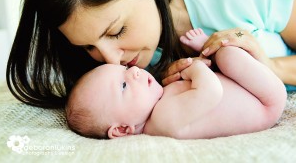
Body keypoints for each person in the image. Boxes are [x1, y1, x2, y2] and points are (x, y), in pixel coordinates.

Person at [7, 0, 296, 108]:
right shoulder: (125, 78)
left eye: (117, 31)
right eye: (87, 47)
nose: (111, 61)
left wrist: (271, 68)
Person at [66, 29, 287, 139]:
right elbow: (211, 91)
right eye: (123, 86)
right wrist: (195, 66)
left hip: (254, 92)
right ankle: (210, 50)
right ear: (123, 129)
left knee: (227, 57)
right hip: (267, 102)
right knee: (228, 55)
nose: (134, 71)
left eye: (125, 69)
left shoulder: (159, 104)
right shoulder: (162, 120)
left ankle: (210, 50)